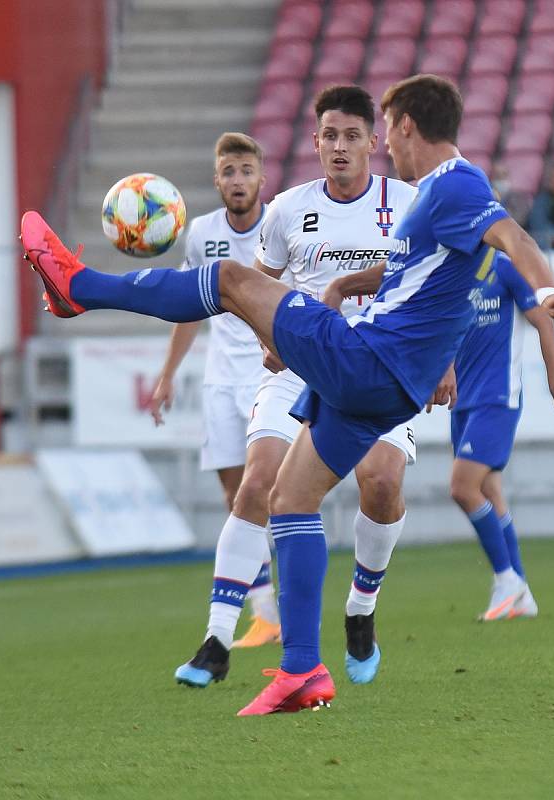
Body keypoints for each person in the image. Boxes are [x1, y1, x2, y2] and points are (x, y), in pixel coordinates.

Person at [20, 73, 554, 717]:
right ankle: (302, 671)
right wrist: (343, 286)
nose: (382, 149)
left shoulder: (455, 185)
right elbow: (417, 270)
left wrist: (544, 292)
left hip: (368, 361)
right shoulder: (430, 198)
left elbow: (516, 238)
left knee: (229, 279)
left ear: (400, 127)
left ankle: (79, 286)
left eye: (382, 132)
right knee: (290, 497)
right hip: (386, 382)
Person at [174, 85, 420, 690]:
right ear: (315, 141)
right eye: (329, 136)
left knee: (382, 483)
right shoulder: (287, 209)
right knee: (258, 483)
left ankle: (360, 610)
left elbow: (440, 284)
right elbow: (259, 284)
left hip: (381, 370)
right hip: (302, 369)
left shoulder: (410, 204)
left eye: (352, 136)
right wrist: (269, 333)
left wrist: (444, 363)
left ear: (375, 142)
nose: (339, 146)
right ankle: (217, 638)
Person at [149, 132, 281, 649]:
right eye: (229, 172)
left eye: (246, 170)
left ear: (261, 178)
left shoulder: (280, 225)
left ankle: (284, 603)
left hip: (272, 375)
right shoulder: (201, 233)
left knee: (269, 493)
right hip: (221, 379)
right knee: (235, 495)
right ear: (217, 180)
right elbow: (189, 307)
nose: (238, 180)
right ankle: (266, 614)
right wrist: (166, 375)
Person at [447, 252, 554, 621]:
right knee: (490, 493)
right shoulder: (451, 268)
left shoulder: (505, 265)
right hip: (462, 403)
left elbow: (545, 324)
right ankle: (521, 591)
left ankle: (506, 579)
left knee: (462, 488)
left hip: (496, 398)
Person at [491, 161, 532, 228]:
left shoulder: (518, 197)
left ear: (508, 176)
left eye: (503, 175)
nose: (500, 178)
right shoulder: (488, 199)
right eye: (497, 175)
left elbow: (520, 220)